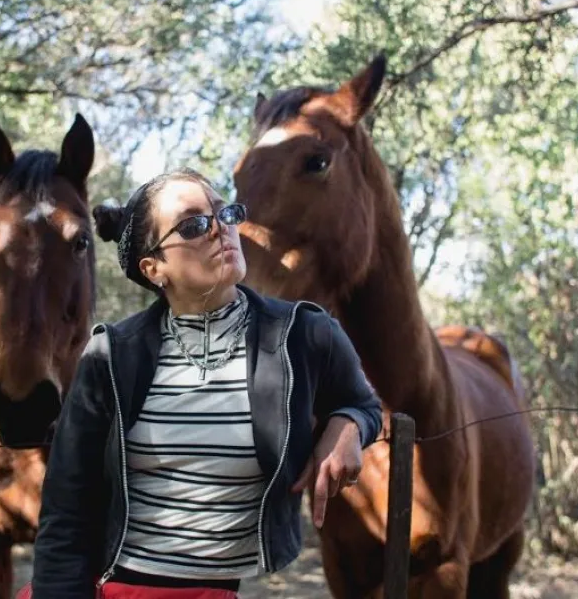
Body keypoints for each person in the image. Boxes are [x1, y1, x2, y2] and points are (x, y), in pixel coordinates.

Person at [24, 168, 382, 599]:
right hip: (112, 585)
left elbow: (363, 404)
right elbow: (67, 507)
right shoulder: (112, 356)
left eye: (224, 213)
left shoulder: (305, 334)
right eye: (194, 224)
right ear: (154, 267)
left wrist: (348, 426)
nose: (221, 230)